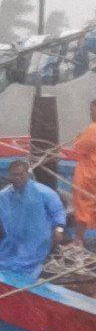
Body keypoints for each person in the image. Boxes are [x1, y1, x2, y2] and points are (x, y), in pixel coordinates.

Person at [72, 100, 96, 244]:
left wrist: (79, 138)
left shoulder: (93, 129)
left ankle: (78, 240)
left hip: (88, 174)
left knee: (83, 206)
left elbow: (79, 147)